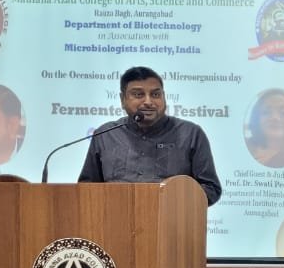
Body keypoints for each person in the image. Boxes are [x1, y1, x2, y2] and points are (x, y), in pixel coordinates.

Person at [78, 66, 222, 205]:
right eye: (138, 94)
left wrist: (176, 201)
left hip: (172, 225)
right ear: (123, 100)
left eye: (155, 94)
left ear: (164, 97)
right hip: (115, 224)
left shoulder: (190, 134)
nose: (148, 102)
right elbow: (86, 188)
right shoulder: (105, 135)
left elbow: (211, 188)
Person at [246, 89, 284, 168]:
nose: (275, 118)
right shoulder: (246, 147)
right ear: (257, 118)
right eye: (266, 112)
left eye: (283, 112)